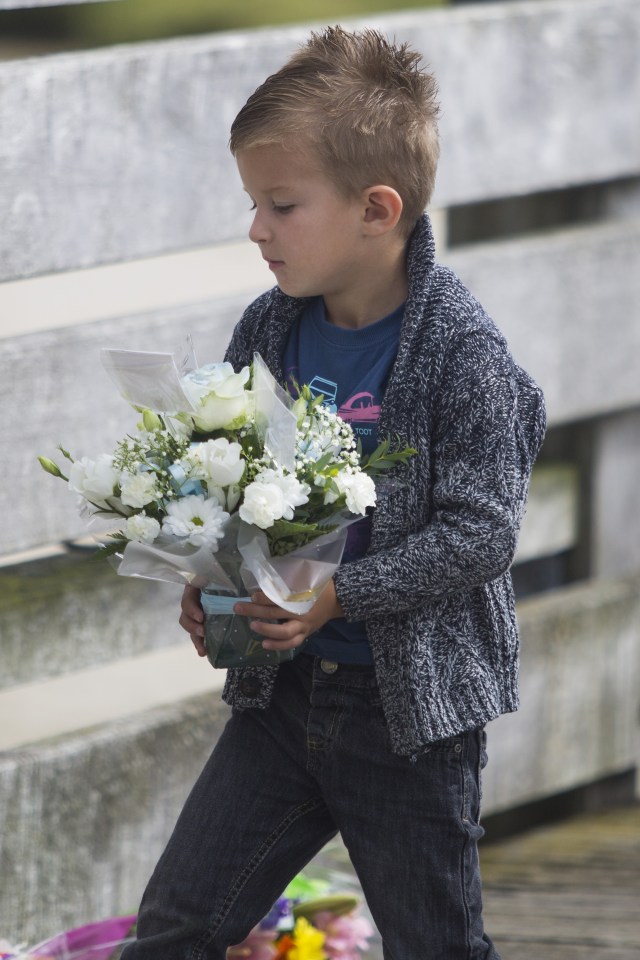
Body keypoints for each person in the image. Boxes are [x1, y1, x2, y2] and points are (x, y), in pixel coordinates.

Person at [122, 26, 546, 959]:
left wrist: (339, 597)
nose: (256, 230)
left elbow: (480, 534)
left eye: (281, 205)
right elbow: (236, 493)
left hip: (410, 723)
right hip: (278, 704)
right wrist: (216, 587)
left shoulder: (464, 359)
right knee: (178, 927)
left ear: (377, 208)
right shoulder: (268, 331)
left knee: (436, 945)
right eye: (253, 204)